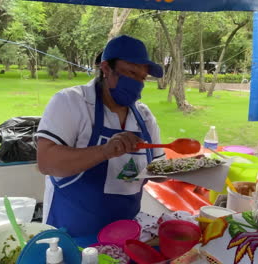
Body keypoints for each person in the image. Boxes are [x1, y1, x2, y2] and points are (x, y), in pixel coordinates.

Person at [35, 35, 165, 237]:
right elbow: (46, 161)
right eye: (131, 73)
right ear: (106, 68)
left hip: (125, 234)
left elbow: (158, 170)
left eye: (142, 77)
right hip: (71, 233)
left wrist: (191, 170)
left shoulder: (145, 117)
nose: (138, 83)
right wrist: (104, 151)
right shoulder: (71, 102)